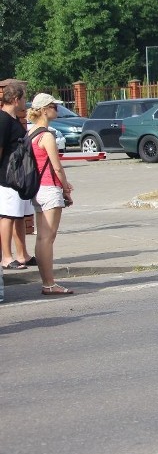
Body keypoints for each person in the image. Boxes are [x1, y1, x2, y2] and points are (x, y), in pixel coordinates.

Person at [27, 93, 75, 294]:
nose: (57, 109)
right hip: (50, 189)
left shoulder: (31, 134)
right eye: (54, 106)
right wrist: (66, 188)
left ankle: (47, 282)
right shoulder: (46, 136)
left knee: (41, 238)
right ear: (45, 110)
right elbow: (57, 167)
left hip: (37, 189)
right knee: (48, 238)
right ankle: (49, 283)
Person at [0, 81, 36, 271]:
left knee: (19, 216)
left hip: (19, 177)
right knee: (7, 216)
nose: (25, 102)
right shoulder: (3, 120)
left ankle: (22, 254)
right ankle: (6, 257)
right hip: (7, 177)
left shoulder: (13, 119)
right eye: (24, 98)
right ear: (15, 99)